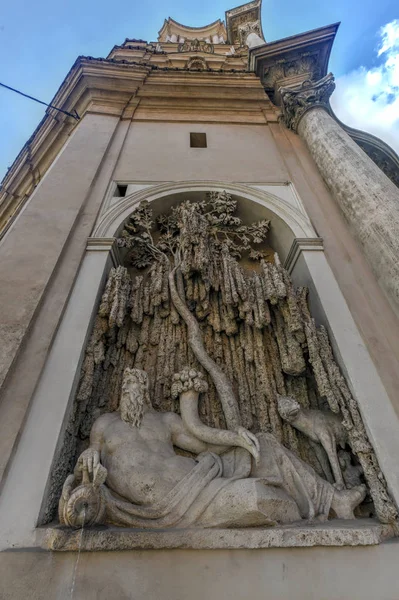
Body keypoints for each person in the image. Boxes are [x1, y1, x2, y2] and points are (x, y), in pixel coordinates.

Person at [62, 368, 366, 528]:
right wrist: (87, 456)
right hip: (172, 504)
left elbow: (202, 440)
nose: (135, 393)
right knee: (260, 497)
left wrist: (236, 438)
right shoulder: (105, 424)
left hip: (200, 475)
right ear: (121, 392)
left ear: (147, 393)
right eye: (129, 387)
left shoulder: (164, 420)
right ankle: (314, 506)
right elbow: (90, 458)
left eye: (140, 388)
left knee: (267, 445)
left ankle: (333, 500)